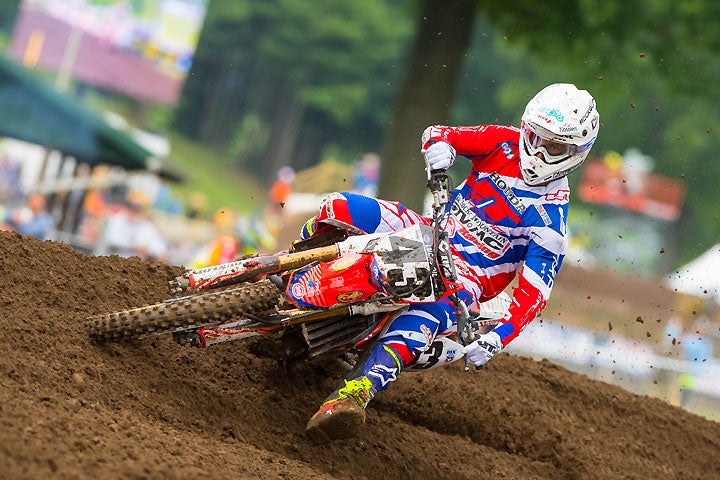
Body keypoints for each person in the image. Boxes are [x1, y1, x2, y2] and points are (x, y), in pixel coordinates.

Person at [302, 83, 600, 444]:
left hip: (463, 283)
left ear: (575, 152)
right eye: (535, 137)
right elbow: (438, 133)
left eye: (553, 146)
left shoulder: (551, 223)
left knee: (417, 326)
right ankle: (286, 268)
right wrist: (440, 152)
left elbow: (533, 297)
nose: (537, 151)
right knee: (338, 207)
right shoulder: (502, 141)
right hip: (428, 231)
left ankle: (355, 394)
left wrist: (495, 340)